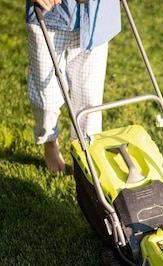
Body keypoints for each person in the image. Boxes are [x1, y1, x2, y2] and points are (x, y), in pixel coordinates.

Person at [25, 0, 121, 173]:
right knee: (46, 99)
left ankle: (83, 154)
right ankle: (49, 140)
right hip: (48, 15)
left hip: (95, 18)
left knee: (89, 101)